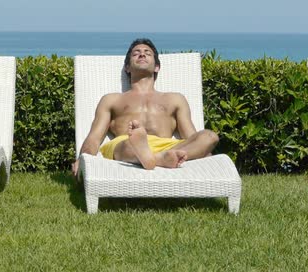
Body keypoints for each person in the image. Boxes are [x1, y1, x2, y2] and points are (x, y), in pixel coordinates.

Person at [72, 38, 219, 177]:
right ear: (127, 68)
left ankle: (157, 158)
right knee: (129, 144)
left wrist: (203, 149)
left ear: (157, 67)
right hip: (126, 144)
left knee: (210, 136)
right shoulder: (112, 99)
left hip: (166, 146)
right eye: (136, 53)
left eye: (147, 53)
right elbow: (94, 138)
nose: (142, 54)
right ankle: (156, 157)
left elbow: (191, 137)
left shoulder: (175, 99)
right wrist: (83, 159)